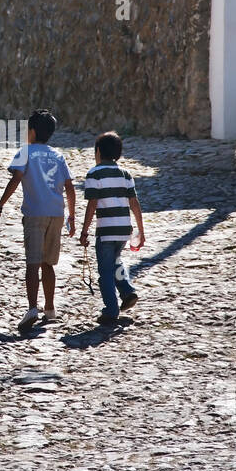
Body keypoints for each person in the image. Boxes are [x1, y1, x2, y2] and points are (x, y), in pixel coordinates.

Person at [0, 109, 76, 333]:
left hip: (34, 214)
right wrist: (72, 216)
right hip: (56, 215)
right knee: (49, 263)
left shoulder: (24, 153)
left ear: (33, 132)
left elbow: (15, 180)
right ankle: (50, 308)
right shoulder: (58, 155)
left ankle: (32, 307)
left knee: (32, 263)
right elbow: (70, 187)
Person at [79, 132, 145, 327]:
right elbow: (134, 203)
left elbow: (92, 205)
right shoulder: (126, 174)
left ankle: (111, 309)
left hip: (106, 231)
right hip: (123, 229)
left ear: (98, 151)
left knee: (105, 271)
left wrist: (84, 231)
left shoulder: (94, 174)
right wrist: (141, 230)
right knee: (116, 261)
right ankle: (127, 291)